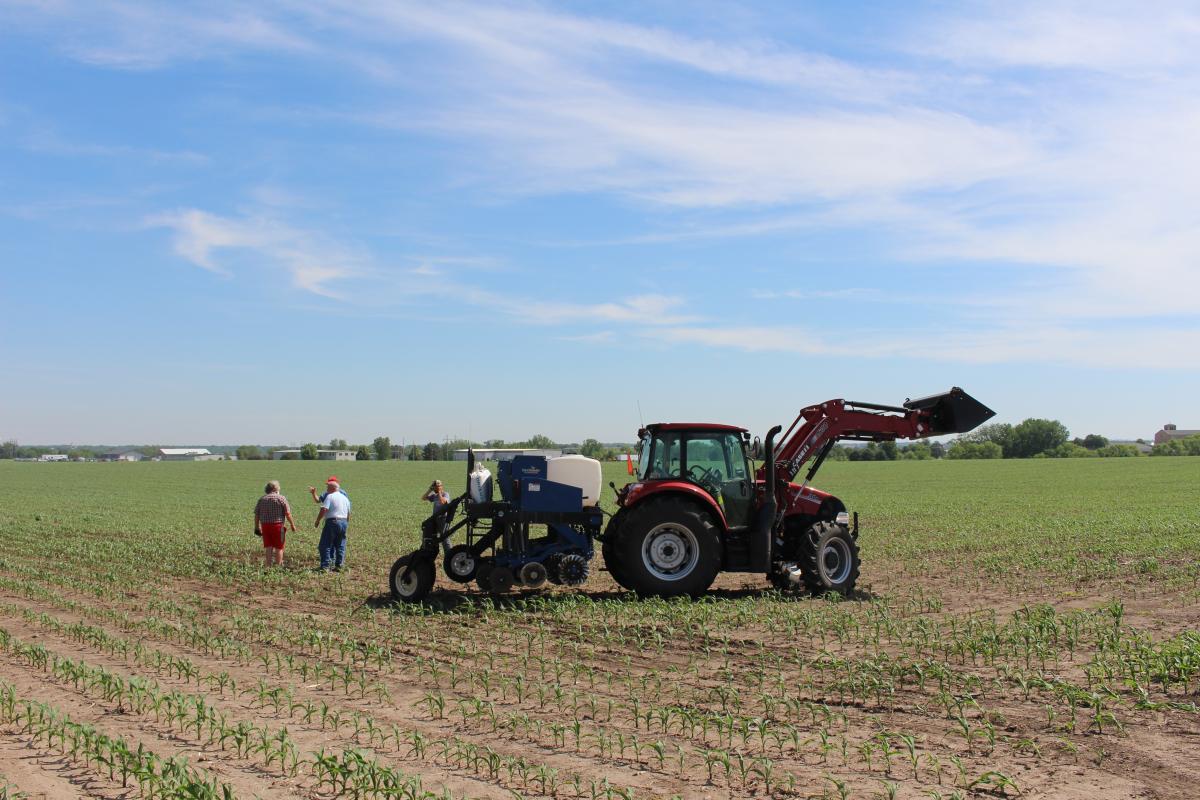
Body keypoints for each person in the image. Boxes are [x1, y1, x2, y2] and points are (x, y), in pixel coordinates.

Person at [254, 480, 297, 567]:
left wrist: (256, 527)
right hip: (278, 526)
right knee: (279, 546)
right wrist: (292, 524)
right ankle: (278, 565)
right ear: (275, 488)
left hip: (265, 526)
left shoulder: (262, 499)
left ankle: (268, 566)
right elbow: (287, 513)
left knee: (268, 546)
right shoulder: (281, 498)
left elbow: (257, 515)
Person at [314, 477, 352, 572]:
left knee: (325, 544)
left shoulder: (330, 496)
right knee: (340, 544)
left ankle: (325, 566)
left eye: (328, 487)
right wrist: (346, 523)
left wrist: (318, 520)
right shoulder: (345, 498)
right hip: (343, 522)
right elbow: (348, 513)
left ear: (332, 488)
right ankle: (339, 566)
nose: (327, 489)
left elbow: (324, 509)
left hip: (332, 522)